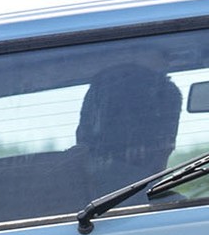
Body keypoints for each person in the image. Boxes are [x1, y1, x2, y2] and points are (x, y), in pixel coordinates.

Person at [69, 63, 182, 197]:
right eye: (163, 140)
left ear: (80, 134)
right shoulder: (175, 209)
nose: (169, 148)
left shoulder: (44, 194)